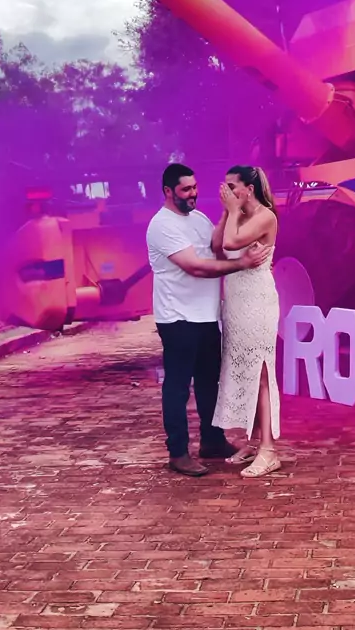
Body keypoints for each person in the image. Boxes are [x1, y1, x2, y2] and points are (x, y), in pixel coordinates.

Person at [146, 163, 271, 478]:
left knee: (208, 383)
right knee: (178, 387)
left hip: (205, 317)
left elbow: (217, 248)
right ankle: (178, 452)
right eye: (186, 189)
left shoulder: (199, 218)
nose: (193, 193)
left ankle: (212, 441)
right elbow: (196, 266)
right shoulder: (162, 225)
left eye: (195, 187)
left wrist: (228, 213)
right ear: (168, 191)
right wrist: (242, 264)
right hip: (178, 318)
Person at [212, 165, 281, 478]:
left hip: (257, 301)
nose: (226, 191)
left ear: (249, 189)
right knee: (243, 370)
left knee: (261, 371)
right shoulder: (236, 215)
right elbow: (217, 245)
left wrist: (232, 211)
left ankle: (269, 450)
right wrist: (228, 212)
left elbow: (231, 244)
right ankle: (253, 443)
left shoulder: (265, 216)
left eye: (232, 186)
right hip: (236, 302)